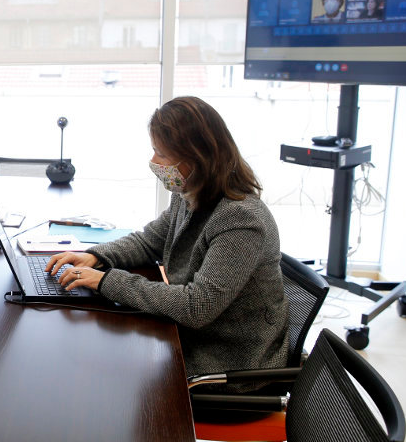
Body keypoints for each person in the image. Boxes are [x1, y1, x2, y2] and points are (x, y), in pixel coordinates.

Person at [46, 96, 289, 390]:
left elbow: (196, 307)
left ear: (197, 157)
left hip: (228, 365)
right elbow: (150, 241)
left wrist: (106, 281)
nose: (153, 162)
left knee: (98, 379)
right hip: (194, 338)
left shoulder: (241, 220)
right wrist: (96, 257)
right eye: (154, 150)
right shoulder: (191, 193)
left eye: (162, 154)